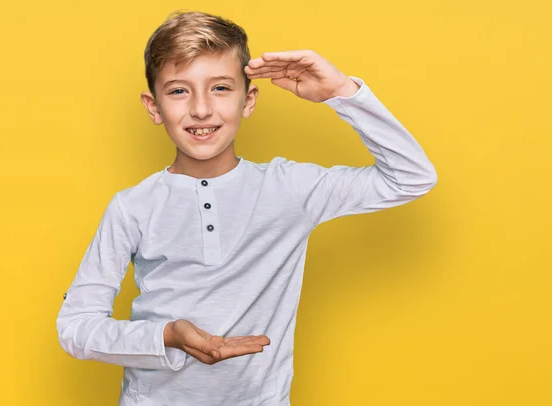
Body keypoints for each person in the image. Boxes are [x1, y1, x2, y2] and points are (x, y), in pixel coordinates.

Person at [56, 9, 438, 406]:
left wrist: (341, 91)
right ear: (154, 107)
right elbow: (76, 327)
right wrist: (165, 335)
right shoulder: (132, 207)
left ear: (248, 99)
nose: (201, 109)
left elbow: (411, 176)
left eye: (220, 88)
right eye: (178, 91)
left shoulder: (289, 189)